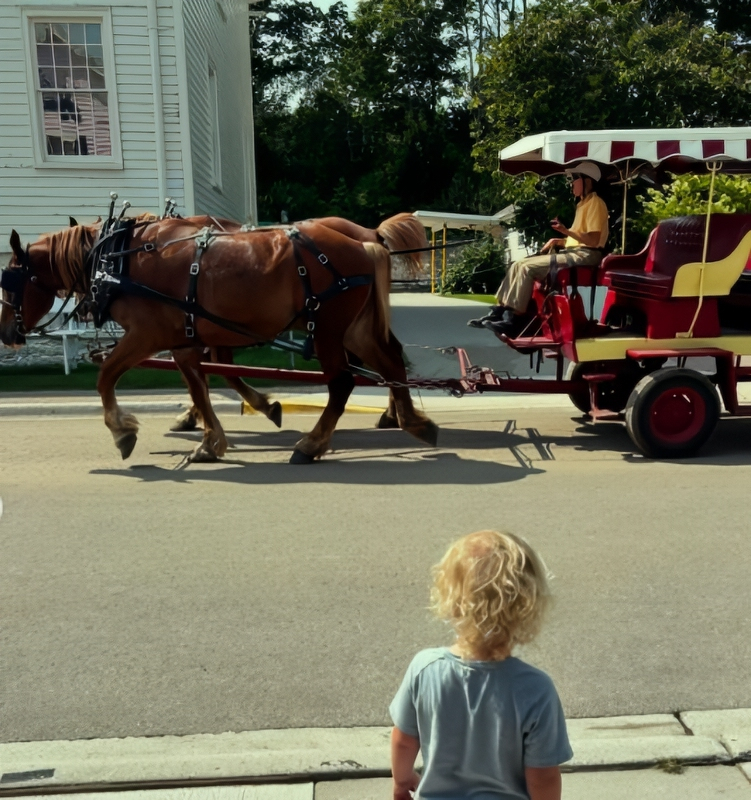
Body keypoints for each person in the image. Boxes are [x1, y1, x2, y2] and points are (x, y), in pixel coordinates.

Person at [389, 530, 571, 800]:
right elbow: (543, 776)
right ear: (527, 607)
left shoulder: (425, 668)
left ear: (451, 602)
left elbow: (404, 741)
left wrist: (402, 782)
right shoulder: (536, 689)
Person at [468, 161, 609, 336]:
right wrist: (559, 240)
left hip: (588, 256)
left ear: (587, 181)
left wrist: (566, 230)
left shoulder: (596, 203)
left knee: (528, 268)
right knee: (518, 264)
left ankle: (514, 320)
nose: (571, 183)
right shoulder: (582, 204)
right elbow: (579, 238)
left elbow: (593, 240)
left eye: (574, 178)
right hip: (578, 252)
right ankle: (499, 311)